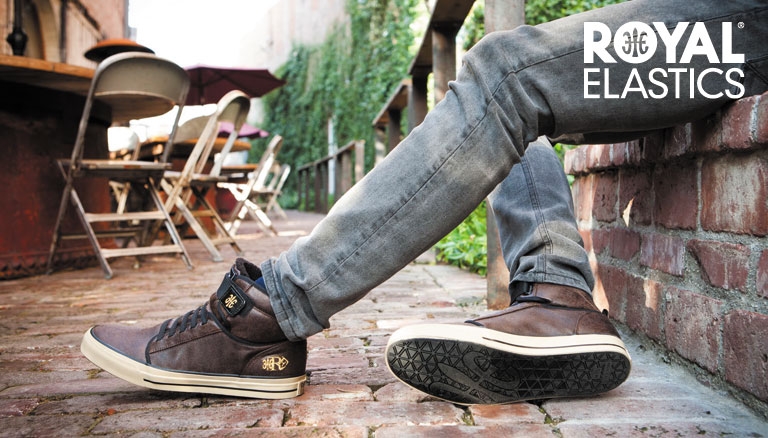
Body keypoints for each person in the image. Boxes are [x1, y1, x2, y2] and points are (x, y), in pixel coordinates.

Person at [80, 0, 768, 404]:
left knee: (506, 71)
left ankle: (269, 310)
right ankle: (558, 296)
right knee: (514, 110)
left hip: (740, 26)